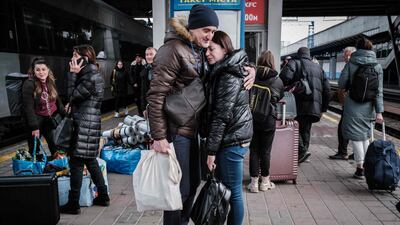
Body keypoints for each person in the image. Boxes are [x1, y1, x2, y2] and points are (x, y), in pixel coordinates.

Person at [147, 5, 254, 225]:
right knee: (179, 191)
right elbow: (156, 95)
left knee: (192, 185)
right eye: (206, 29)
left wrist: (251, 69)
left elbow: (225, 65)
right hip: (177, 131)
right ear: (192, 27)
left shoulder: (196, 50)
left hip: (191, 130)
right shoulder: (173, 49)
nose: (210, 35)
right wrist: (158, 136)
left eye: (213, 31)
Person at [205, 31, 253, 225]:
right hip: (235, 135)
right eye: (206, 49)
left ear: (224, 49)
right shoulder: (226, 68)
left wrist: (211, 151)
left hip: (233, 138)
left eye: (212, 49)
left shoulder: (228, 75)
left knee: (233, 191)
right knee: (230, 189)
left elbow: (222, 116)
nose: (207, 53)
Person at [60, 44, 109, 214]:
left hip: (83, 124)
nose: (71, 59)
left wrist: (72, 75)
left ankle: (73, 203)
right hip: (88, 123)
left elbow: (72, 95)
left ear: (84, 58)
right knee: (90, 160)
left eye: (74, 56)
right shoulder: (91, 74)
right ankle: (103, 196)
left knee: (76, 162)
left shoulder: (89, 77)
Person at [339, 38, 384, 179]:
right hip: (369, 107)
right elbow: (379, 91)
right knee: (365, 136)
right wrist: (379, 112)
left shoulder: (352, 63)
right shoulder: (377, 66)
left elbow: (341, 83)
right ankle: (368, 166)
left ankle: (360, 167)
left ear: (357, 49)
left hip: (353, 105)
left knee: (356, 138)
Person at [280, 47, 330, 163]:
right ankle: (303, 153)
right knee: (306, 128)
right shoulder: (319, 68)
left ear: (299, 54)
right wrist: (323, 108)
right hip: (314, 105)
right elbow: (327, 90)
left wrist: (289, 87)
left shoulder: (294, 62)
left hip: (298, 102)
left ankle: (302, 151)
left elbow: (284, 78)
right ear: (309, 55)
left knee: (294, 127)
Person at [247, 50, 284, 193]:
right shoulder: (277, 80)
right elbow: (279, 97)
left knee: (254, 150)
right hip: (268, 119)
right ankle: (265, 182)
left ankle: (254, 183)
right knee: (266, 151)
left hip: (253, 118)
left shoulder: (253, 76)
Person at [22, 57, 65, 156]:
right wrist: (34, 127)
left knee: (55, 144)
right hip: (36, 121)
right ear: (33, 71)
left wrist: (65, 115)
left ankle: (58, 165)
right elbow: (28, 108)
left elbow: (57, 101)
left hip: (50, 119)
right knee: (34, 148)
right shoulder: (29, 84)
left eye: (43, 69)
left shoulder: (50, 81)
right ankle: (34, 168)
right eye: (38, 70)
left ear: (48, 70)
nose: (41, 72)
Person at [329, 46, 356, 160]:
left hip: (350, 103)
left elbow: (342, 84)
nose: (344, 57)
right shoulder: (358, 66)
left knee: (343, 128)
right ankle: (355, 153)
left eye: (345, 55)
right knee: (355, 129)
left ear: (350, 55)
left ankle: (343, 152)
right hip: (354, 102)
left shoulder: (350, 65)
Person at [140, 47, 157, 116]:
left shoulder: (162, 69)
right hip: (149, 106)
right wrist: (144, 108)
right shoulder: (146, 69)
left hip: (160, 106)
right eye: (147, 54)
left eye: (151, 54)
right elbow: (143, 91)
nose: (148, 56)